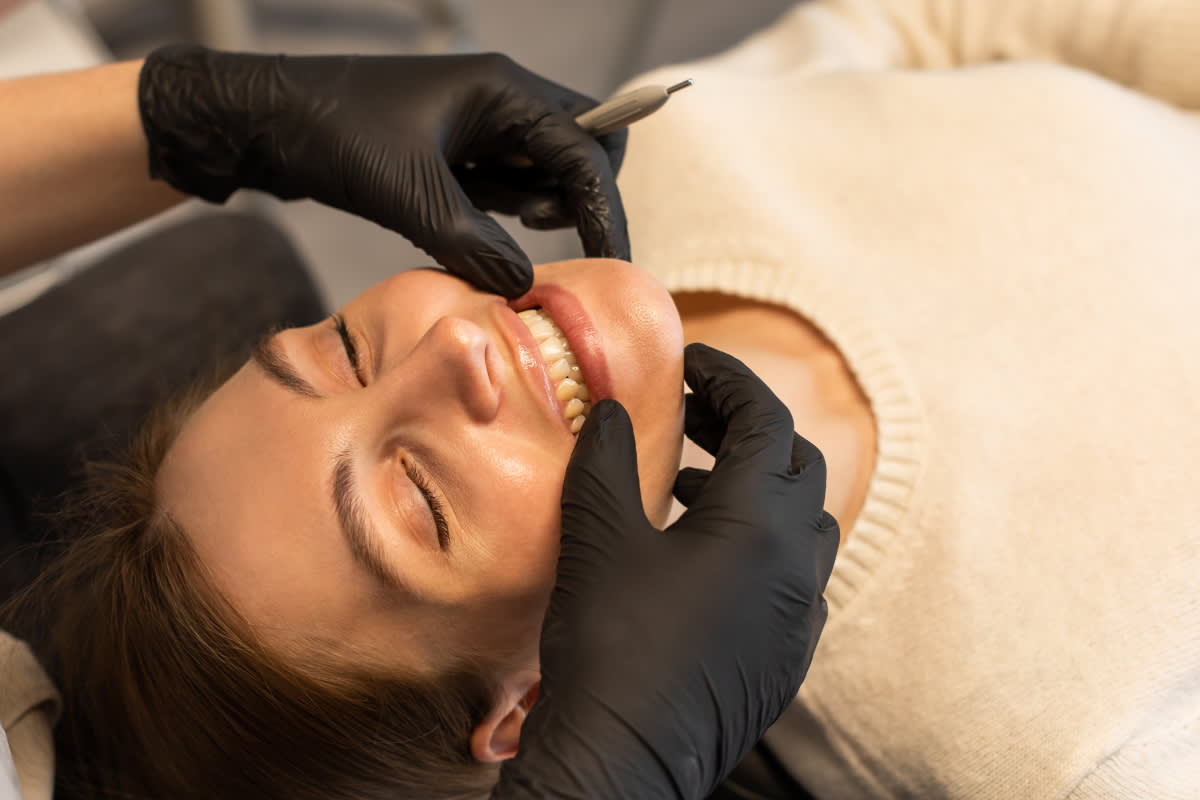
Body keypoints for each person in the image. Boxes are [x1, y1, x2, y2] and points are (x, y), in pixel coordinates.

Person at [0, 44, 837, 800]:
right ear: (543, 703)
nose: (452, 342)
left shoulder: (713, 133)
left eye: (345, 351)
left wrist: (209, 112)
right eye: (424, 504)